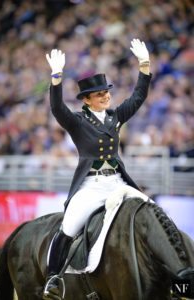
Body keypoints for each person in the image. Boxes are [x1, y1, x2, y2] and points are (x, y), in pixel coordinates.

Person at [43, 39, 152, 298]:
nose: (106, 96)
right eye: (100, 94)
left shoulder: (115, 116)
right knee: (68, 228)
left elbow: (138, 97)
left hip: (118, 184)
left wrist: (145, 65)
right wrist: (56, 77)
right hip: (91, 186)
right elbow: (57, 108)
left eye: (107, 92)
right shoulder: (78, 121)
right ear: (88, 100)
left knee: (152, 212)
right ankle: (53, 278)